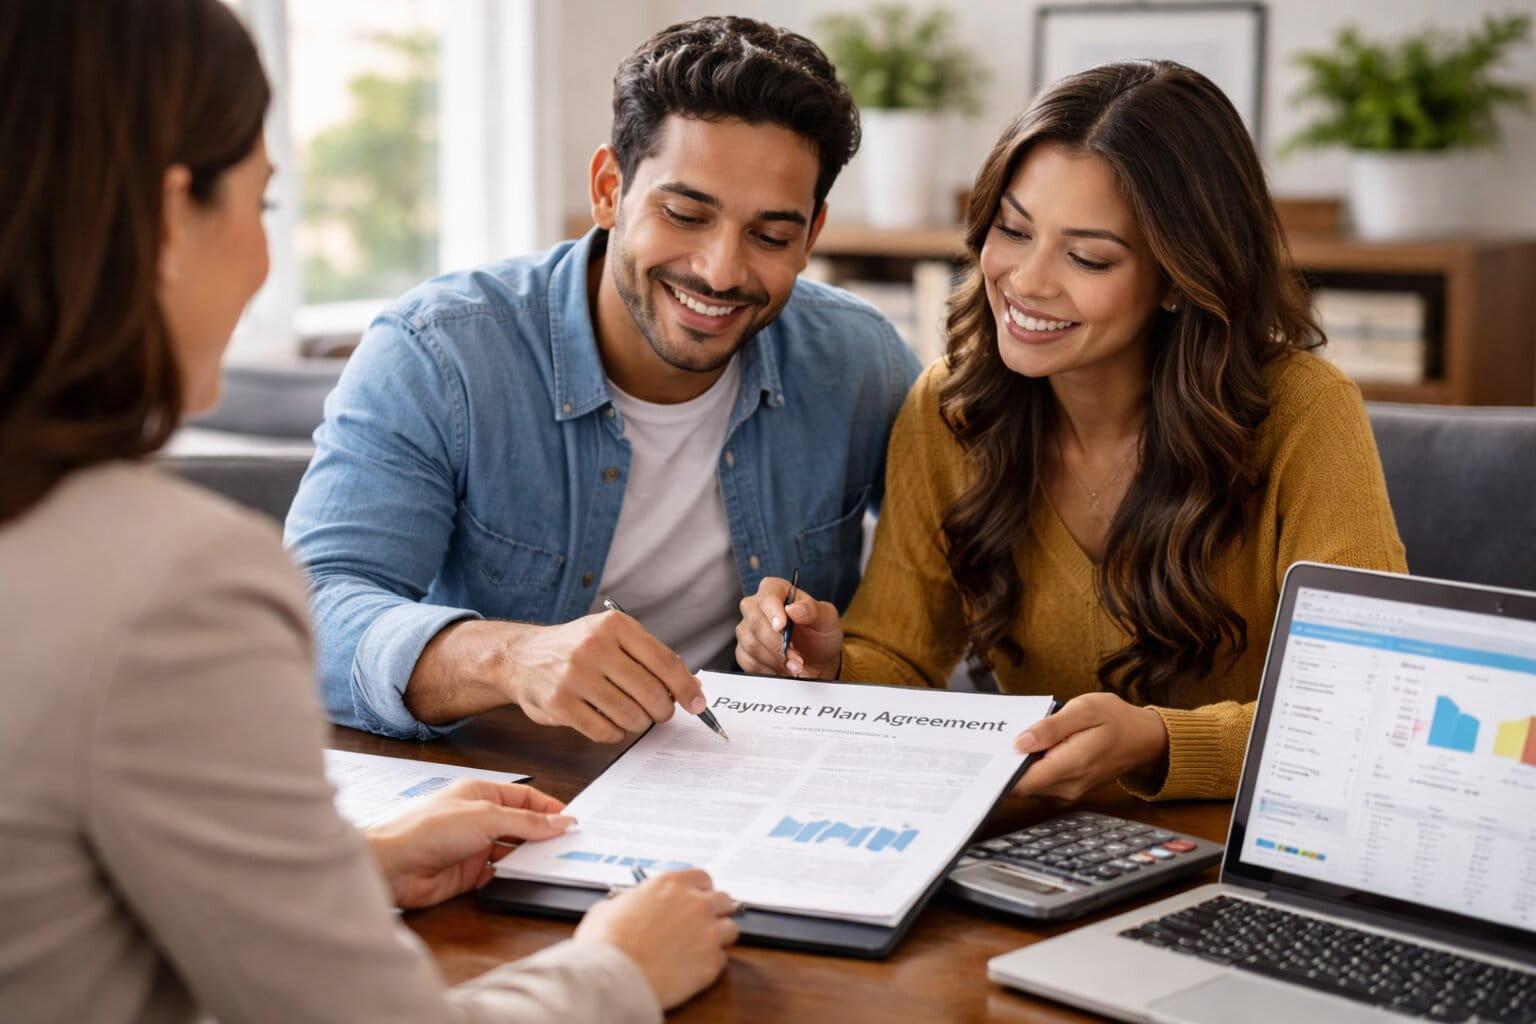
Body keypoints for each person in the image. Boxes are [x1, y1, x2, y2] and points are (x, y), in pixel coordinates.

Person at [0, 1, 736, 1020]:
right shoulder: (171, 581)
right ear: (172, 219)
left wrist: (343, 864)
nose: (263, 261)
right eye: (261, 208)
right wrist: (619, 967)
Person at [735, 61, 1408, 803]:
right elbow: (900, 656)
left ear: (1182, 278)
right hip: (1040, 854)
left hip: (1246, 851)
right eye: (1012, 230)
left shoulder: (1304, 412)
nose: (1026, 281)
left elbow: (1365, 707)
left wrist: (1160, 742)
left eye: (1088, 257)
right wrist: (828, 660)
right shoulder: (953, 409)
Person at [283, 16, 922, 743]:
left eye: (771, 236)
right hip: (499, 795)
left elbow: (978, 559)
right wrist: (511, 659)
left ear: (811, 237)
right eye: (685, 213)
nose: (719, 271)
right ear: (609, 188)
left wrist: (839, 659)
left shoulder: (859, 361)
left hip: (750, 796)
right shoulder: (440, 354)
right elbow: (305, 616)